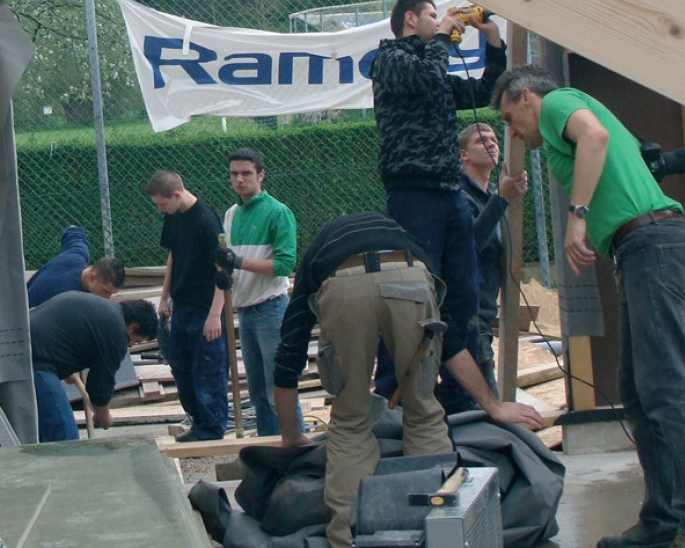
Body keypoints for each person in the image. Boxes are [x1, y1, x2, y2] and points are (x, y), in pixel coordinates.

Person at [494, 65, 685, 548]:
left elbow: (596, 136)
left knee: (666, 385)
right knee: (640, 388)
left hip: (653, 243)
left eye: (509, 116)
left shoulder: (559, 101)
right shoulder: (555, 118)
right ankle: (664, 519)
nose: (512, 130)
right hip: (643, 247)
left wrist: (577, 217)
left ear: (526, 97)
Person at [273, 210, 542, 547]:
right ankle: (440, 533)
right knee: (423, 412)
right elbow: (450, 341)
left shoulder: (318, 253)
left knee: (351, 422)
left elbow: (289, 353)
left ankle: (349, 538)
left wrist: (291, 435)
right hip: (410, 275)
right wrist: (494, 404)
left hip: (343, 284)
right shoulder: (405, 238)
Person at [370, 0, 507, 412]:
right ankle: (392, 392)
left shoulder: (435, 62)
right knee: (413, 293)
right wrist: (444, 37)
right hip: (414, 191)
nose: (441, 21)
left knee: (462, 293)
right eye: (432, 15)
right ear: (411, 19)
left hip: (449, 190)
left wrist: (493, 42)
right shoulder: (389, 59)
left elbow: (483, 92)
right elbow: (428, 77)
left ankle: (461, 392)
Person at [215, 147, 302, 436]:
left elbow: (284, 264)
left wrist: (239, 263)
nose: (240, 180)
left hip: (271, 308)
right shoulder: (231, 214)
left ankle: (294, 448)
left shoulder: (278, 213)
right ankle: (269, 449)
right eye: (234, 174)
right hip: (245, 311)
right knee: (258, 393)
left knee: (278, 386)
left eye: (246, 174)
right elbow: (226, 259)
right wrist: (225, 273)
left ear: (261, 175)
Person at [147, 169, 230, 442]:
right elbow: (173, 255)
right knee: (180, 367)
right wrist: (164, 296)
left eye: (162, 203)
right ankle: (198, 422)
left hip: (205, 308)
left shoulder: (206, 221)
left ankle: (212, 429)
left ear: (177, 195)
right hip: (182, 306)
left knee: (208, 371)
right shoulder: (173, 217)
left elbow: (224, 270)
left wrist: (215, 314)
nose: (161, 209)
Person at [29, 291, 158, 442]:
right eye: (136, 341)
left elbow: (65, 333)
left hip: (26, 347)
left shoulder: (103, 311)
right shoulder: (116, 332)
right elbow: (100, 385)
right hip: (36, 361)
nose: (130, 345)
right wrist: (104, 416)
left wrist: (64, 367)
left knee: (39, 432)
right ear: (134, 327)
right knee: (64, 436)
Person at [457, 122, 528, 395]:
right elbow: (469, 245)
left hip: (482, 316)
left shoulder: (486, 199)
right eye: (481, 140)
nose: (491, 143)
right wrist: (501, 199)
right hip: (469, 317)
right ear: (463, 154)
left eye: (495, 139)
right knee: (484, 400)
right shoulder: (460, 197)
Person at [26, 224, 127, 307]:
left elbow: (73, 229)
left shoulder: (77, 254)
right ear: (92, 277)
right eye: (105, 291)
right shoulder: (68, 298)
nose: (107, 298)